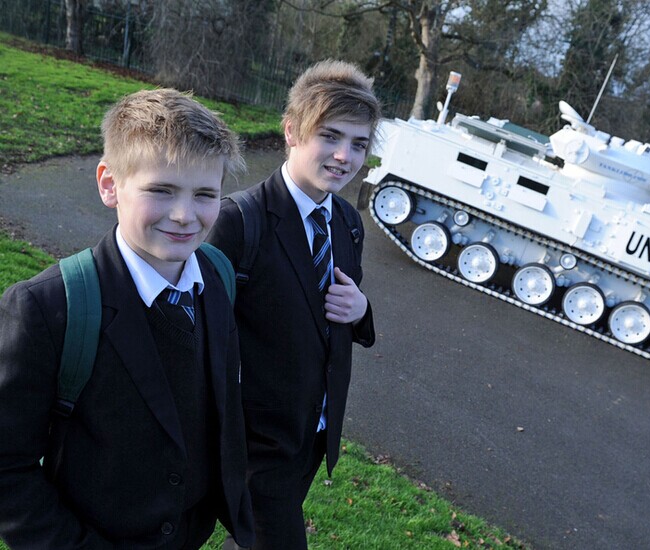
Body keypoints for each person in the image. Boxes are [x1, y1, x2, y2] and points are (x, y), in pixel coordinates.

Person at [0, 89, 255, 549]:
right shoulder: (46, 307)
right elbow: (7, 468)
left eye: (205, 194)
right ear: (109, 184)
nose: (185, 216)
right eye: (161, 190)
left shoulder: (217, 274)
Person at [208, 60, 380, 549]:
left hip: (312, 436)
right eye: (330, 136)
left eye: (359, 144)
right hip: (254, 447)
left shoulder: (347, 222)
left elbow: (334, 314)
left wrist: (361, 311)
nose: (344, 156)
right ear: (291, 131)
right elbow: (198, 332)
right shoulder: (238, 222)